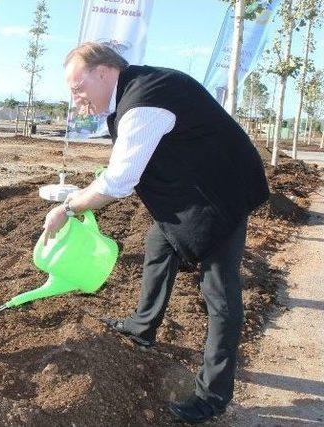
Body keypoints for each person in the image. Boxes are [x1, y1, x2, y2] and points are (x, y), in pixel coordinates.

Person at [43, 42, 269, 424]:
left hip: (223, 195)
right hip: (199, 188)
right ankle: (142, 326)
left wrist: (67, 208)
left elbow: (119, 181)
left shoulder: (143, 101)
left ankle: (212, 396)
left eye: (77, 87)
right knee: (158, 242)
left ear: (104, 72)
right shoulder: (137, 90)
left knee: (219, 293)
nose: (75, 97)